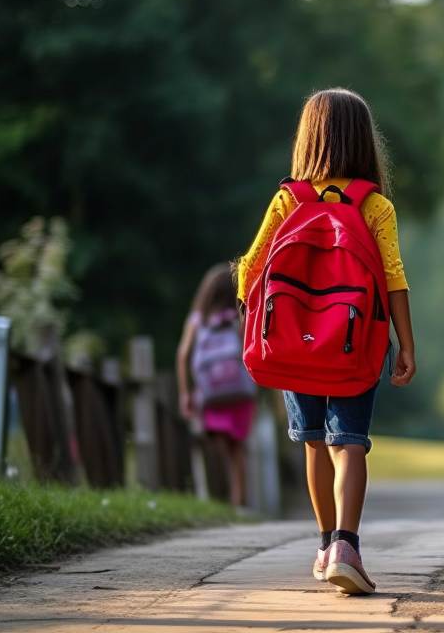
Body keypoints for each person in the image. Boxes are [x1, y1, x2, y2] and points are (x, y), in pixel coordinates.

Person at [236, 88, 416, 594]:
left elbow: (251, 269)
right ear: (365, 142)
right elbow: (394, 278)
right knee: (350, 445)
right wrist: (406, 345)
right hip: (354, 345)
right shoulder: (375, 206)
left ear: (307, 139)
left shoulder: (287, 199)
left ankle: (322, 545)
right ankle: (346, 544)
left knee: (313, 442)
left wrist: (258, 315)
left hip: (293, 344)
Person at [176, 264, 256, 509]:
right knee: (237, 450)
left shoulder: (198, 320)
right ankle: (238, 502)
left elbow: (183, 355)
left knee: (216, 446)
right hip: (240, 394)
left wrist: (185, 393)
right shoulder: (240, 317)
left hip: (211, 394)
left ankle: (217, 499)